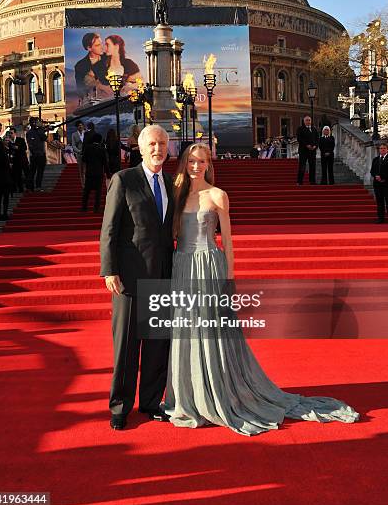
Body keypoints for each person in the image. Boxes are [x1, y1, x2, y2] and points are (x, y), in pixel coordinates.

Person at [163, 143, 359, 435]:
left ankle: (220, 391)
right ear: (183, 163)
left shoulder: (218, 196)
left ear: (208, 164)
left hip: (209, 266)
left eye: (201, 161)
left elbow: (227, 242)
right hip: (182, 266)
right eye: (191, 161)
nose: (195, 166)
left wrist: (228, 279)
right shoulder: (175, 195)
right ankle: (188, 397)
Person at [100, 125, 174, 430]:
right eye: (152, 144)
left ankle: (151, 401)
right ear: (140, 149)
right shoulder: (123, 180)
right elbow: (109, 229)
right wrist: (109, 269)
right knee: (127, 347)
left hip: (162, 275)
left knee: (158, 343)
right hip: (128, 279)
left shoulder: (170, 181)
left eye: (162, 144)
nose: (158, 149)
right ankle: (120, 406)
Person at [74, 33, 108, 98]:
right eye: (97, 45)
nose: (102, 47)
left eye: (101, 43)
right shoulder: (80, 66)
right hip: (92, 102)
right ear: (89, 48)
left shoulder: (108, 58)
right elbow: (80, 89)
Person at [82, 133, 107, 213]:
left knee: (87, 191)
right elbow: (105, 162)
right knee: (98, 192)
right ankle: (96, 208)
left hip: (89, 172)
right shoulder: (102, 149)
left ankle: (84, 207)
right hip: (99, 172)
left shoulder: (88, 148)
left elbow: (84, 159)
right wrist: (107, 172)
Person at [0, 133, 13, 220]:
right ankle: (3, 213)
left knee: (0, 197)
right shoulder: (2, 153)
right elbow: (5, 165)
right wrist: (9, 164)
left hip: (0, 178)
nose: (7, 142)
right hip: (4, 178)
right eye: (6, 140)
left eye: (8, 141)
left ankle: (0, 213)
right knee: (3, 197)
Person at [26, 117, 47, 191]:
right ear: (32, 123)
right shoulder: (29, 133)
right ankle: (30, 187)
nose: (37, 123)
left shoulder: (40, 131)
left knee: (40, 172)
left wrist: (41, 129)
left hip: (41, 154)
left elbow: (44, 138)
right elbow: (30, 144)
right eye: (36, 122)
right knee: (32, 172)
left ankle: (37, 187)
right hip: (35, 155)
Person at [296, 115, 319, 185]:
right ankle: (299, 181)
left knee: (313, 166)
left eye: (309, 120)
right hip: (303, 151)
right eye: (307, 120)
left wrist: (315, 145)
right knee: (302, 166)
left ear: (311, 121)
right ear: (304, 121)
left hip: (312, 151)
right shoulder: (300, 129)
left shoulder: (314, 129)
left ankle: (312, 181)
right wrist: (307, 145)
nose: (308, 122)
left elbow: (317, 139)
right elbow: (299, 139)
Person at [370, 141, 388, 224]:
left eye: (384, 148)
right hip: (377, 184)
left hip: (386, 183)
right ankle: (380, 219)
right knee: (379, 202)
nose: (382, 150)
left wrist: (383, 177)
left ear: (387, 149)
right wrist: (376, 176)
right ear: (379, 150)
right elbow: (372, 171)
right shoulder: (375, 159)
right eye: (381, 148)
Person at [8, 127, 28, 192]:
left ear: (15, 133)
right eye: (9, 133)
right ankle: (20, 189)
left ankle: (30, 188)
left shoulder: (21, 140)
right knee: (18, 176)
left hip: (23, 160)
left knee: (27, 175)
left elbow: (25, 148)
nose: (10, 134)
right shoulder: (9, 142)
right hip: (15, 162)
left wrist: (18, 147)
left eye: (11, 133)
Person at [71, 121, 86, 187]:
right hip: (79, 154)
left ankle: (87, 183)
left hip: (86, 154)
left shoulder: (86, 133)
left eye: (81, 125)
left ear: (83, 126)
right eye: (79, 125)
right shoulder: (74, 134)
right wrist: (79, 151)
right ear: (77, 127)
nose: (80, 126)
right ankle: (83, 184)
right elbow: (73, 145)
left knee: (86, 170)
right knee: (81, 170)